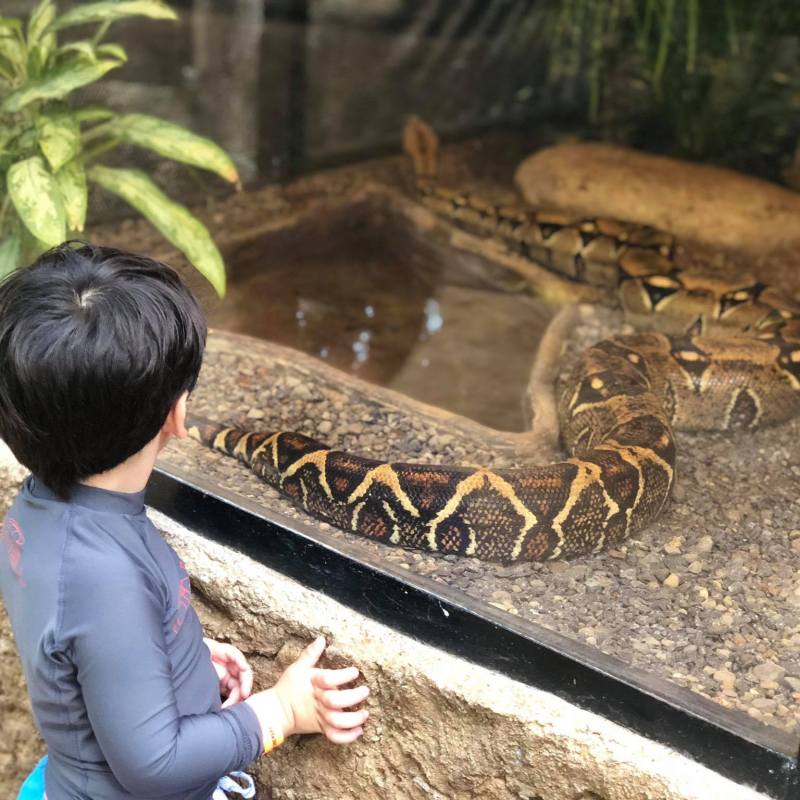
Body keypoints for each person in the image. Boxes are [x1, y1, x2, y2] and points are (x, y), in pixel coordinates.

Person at [0, 243, 370, 800]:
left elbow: (80, 651)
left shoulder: (37, 511)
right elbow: (155, 765)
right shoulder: (103, 573)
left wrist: (182, 661)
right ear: (178, 413)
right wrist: (280, 711)